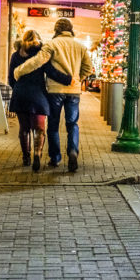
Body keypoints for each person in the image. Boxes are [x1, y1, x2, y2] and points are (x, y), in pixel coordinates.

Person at [14, 18, 93, 172]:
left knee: (54, 126)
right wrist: (77, 80)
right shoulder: (80, 47)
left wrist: (19, 70)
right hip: (73, 91)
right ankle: (72, 151)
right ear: (71, 29)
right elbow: (88, 68)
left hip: (55, 91)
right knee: (72, 124)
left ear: (56, 30)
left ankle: (55, 158)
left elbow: (37, 61)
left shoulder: (51, 44)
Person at [8, 30, 72, 172]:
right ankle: (37, 153)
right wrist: (67, 79)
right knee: (39, 129)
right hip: (38, 97)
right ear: (38, 40)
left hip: (21, 95)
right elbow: (51, 72)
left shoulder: (15, 55)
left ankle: (26, 157)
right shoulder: (40, 55)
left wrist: (18, 88)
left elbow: (11, 79)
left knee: (24, 129)